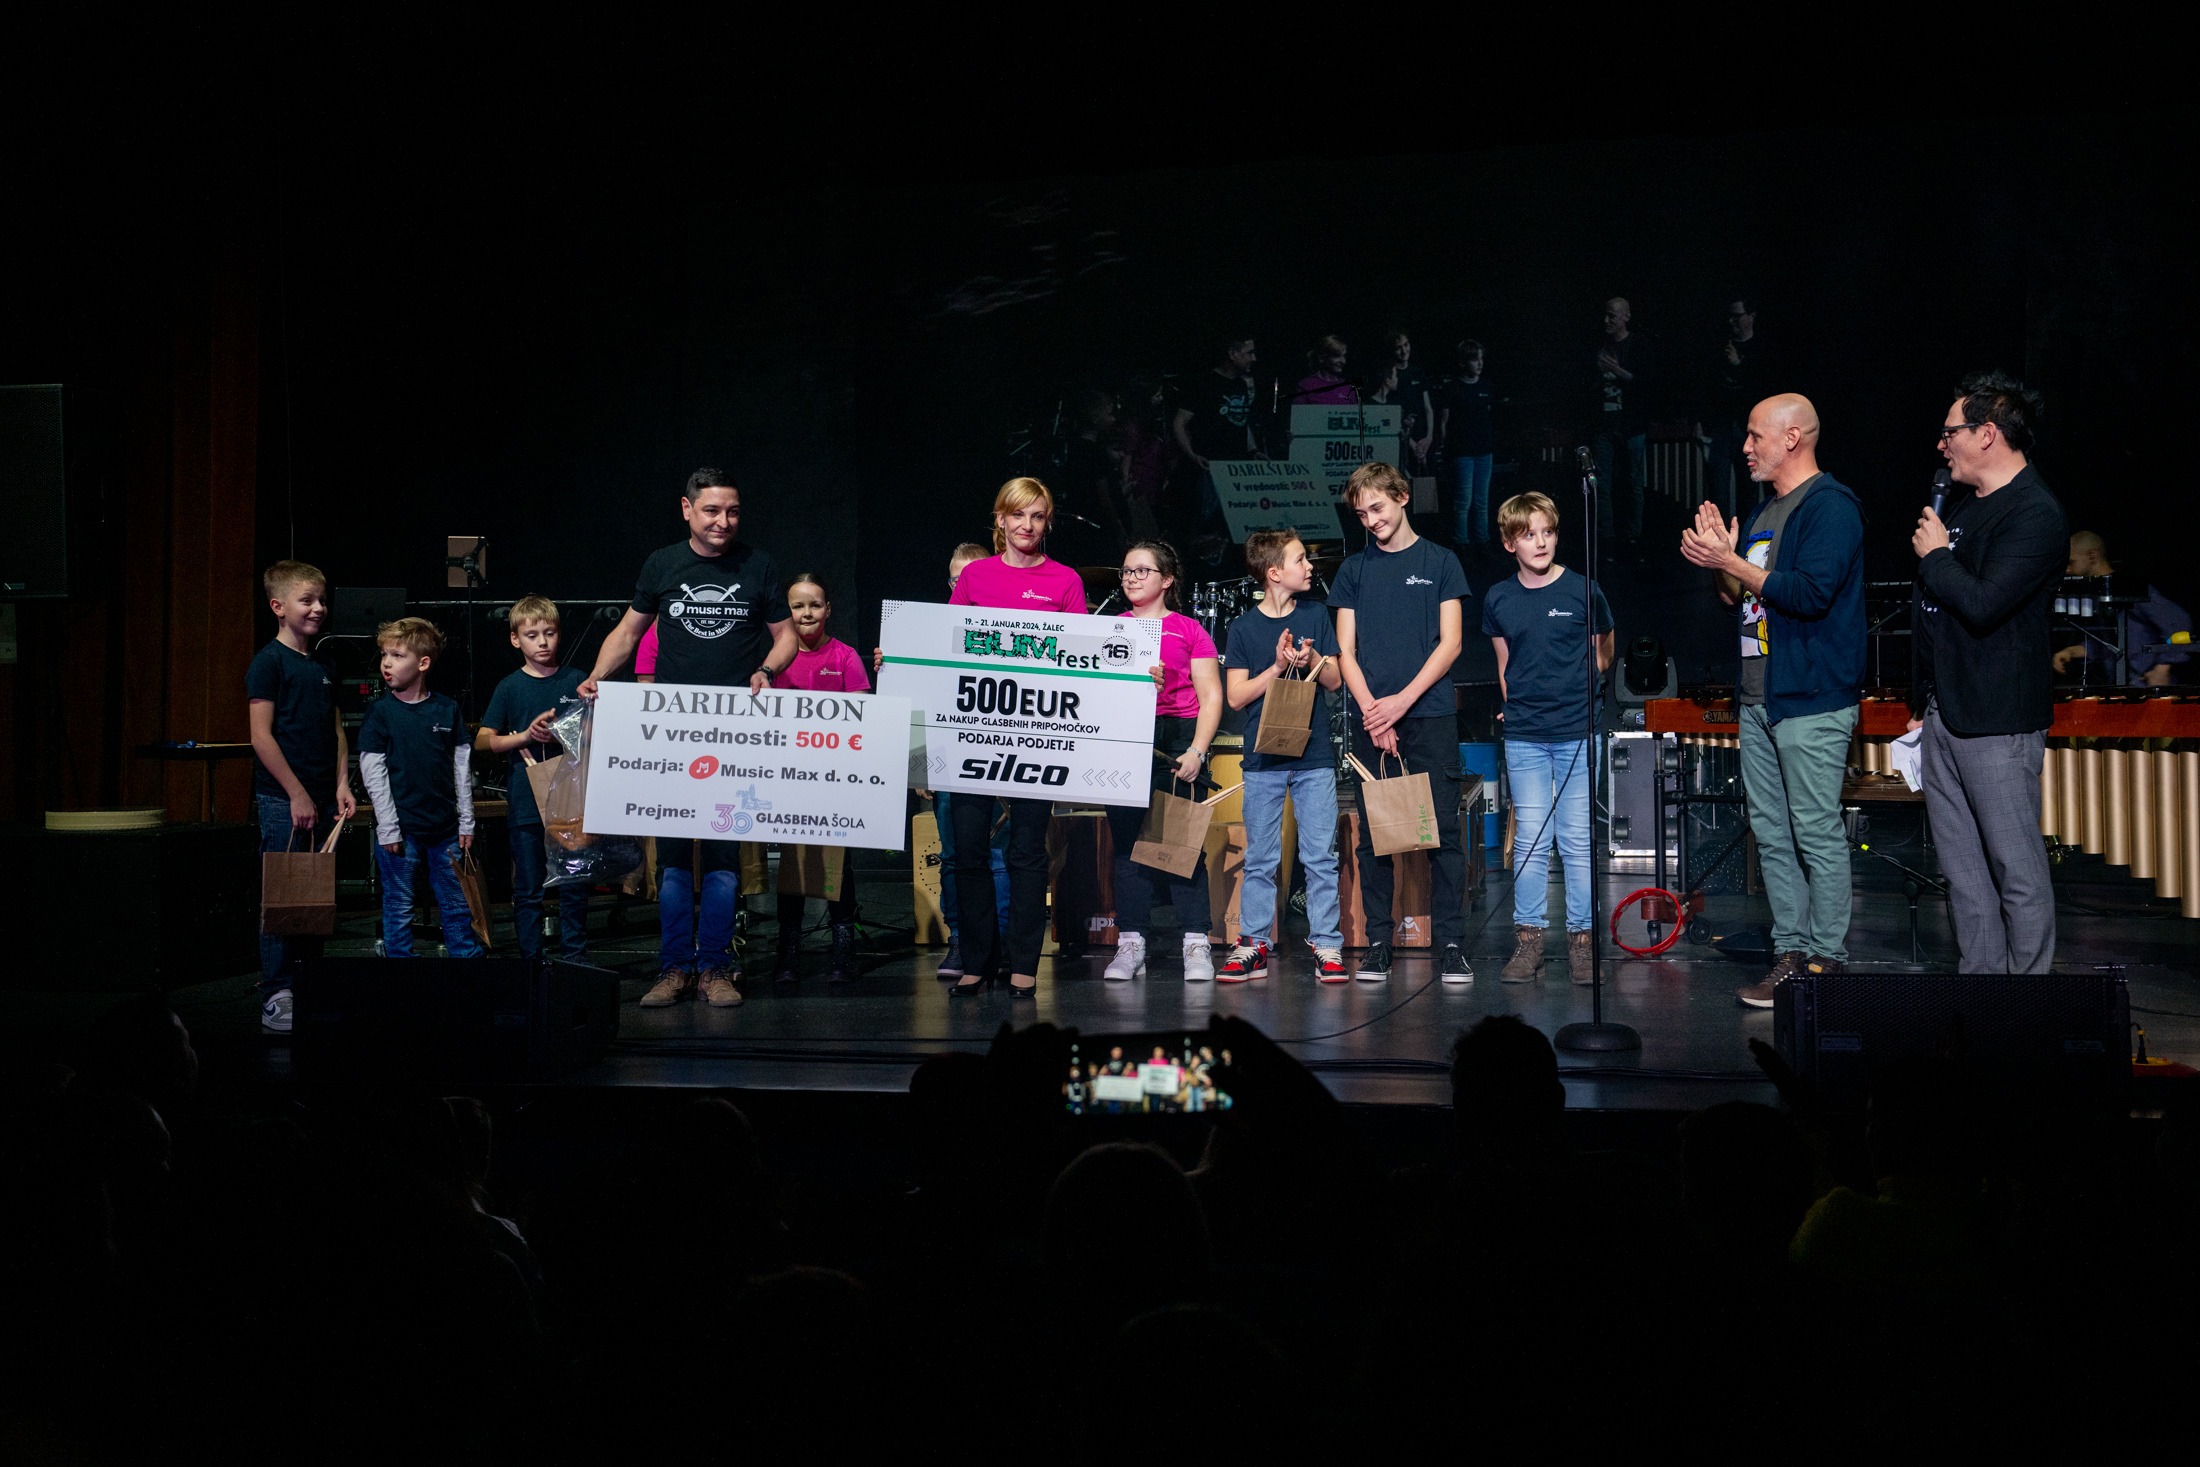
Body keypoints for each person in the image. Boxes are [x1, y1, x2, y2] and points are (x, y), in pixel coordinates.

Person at [580, 467, 798, 1010]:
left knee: (723, 855)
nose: (723, 521)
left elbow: (786, 636)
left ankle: (715, 968)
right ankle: (674, 967)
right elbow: (628, 631)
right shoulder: (662, 563)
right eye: (712, 510)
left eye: (732, 512)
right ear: (687, 509)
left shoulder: (759, 564)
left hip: (735, 733)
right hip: (673, 734)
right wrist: (598, 676)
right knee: (674, 858)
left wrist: (767, 670)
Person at [1679, 394, 1865, 1006]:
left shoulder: (1830, 507)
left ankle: (1827, 961)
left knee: (1814, 830)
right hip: (1760, 698)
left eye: (1756, 435)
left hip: (1810, 697)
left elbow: (1809, 593)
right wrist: (1721, 561)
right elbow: (1738, 597)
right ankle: (1791, 952)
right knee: (1772, 833)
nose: (1745, 447)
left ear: (1792, 438)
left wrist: (1732, 561)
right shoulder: (1765, 511)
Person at [1909, 372, 2067, 974]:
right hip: (1946, 712)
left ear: (1987, 434)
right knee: (1963, 874)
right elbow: (1934, 612)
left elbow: (1983, 603)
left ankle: (2027, 1001)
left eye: (1950, 431)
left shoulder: (2034, 512)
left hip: (1997, 718)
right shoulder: (1964, 509)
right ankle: (1981, 996)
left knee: (2014, 869)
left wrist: (1936, 557)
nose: (1941, 444)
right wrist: (1920, 699)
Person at [1331, 461, 1474, 983]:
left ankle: (1452, 942)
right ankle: (1378, 942)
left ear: (1403, 497)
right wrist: (1375, 713)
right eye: (1361, 513)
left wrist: (1400, 704)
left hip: (1428, 713)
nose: (1372, 520)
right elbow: (1344, 651)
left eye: (1378, 507)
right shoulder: (1353, 571)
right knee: (1375, 835)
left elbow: (1451, 644)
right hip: (1371, 718)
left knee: (1443, 831)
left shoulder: (1441, 562)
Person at [946, 478, 1089, 998]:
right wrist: (898, 659)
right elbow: (945, 646)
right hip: (974, 732)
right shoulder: (976, 576)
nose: (1027, 526)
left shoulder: (1065, 580)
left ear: (1047, 523)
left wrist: (1140, 676)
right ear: (1000, 519)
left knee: (1027, 851)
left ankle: (1024, 961)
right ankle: (976, 960)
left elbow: (1087, 657)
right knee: (969, 850)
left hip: (1037, 734)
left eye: (1038, 516)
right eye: (1018, 515)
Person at [1484, 492, 1614, 986]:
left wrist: (1574, 694)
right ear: (1509, 543)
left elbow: (1603, 655)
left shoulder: (1583, 591)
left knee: (1577, 840)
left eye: (1547, 532)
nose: (1540, 542)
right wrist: (1519, 704)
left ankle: (1582, 943)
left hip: (1577, 732)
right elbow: (1505, 667)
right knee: (1532, 841)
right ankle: (1529, 942)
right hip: (1525, 736)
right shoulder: (1499, 598)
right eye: (1528, 535)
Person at [1220, 530, 1347, 983]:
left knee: (1320, 856)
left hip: (1313, 756)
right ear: (1274, 573)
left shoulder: (1315, 614)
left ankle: (1327, 943)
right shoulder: (1244, 628)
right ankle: (1253, 944)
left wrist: (1311, 659)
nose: (1310, 566)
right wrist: (1276, 667)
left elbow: (1335, 680)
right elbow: (1235, 697)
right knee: (1261, 857)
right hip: (1263, 759)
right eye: (1300, 560)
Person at [1103, 542, 1223, 984]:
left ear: (1167, 579)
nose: (1131, 578)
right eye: (1126, 571)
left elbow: (1211, 695)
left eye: (1142, 570)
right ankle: (1131, 942)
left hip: (1177, 736)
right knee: (1128, 844)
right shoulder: (1111, 628)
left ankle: (1195, 940)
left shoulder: (1188, 630)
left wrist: (1197, 750)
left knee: (1180, 844)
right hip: (1125, 734)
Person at [247, 560, 357, 1033]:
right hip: (283, 800)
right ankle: (276, 994)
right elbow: (261, 736)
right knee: (284, 896)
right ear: (278, 607)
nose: (318, 608)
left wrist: (341, 784)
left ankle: (307, 983)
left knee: (314, 896)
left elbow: (336, 728)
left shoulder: (324, 664)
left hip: (322, 798)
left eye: (321, 600)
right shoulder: (269, 662)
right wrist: (296, 794)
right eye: (306, 600)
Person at [359, 617, 482, 961]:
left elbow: (461, 768)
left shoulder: (447, 708)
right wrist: (388, 826)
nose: (387, 663)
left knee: (457, 904)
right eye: (385, 655)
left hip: (445, 828)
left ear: (423, 663)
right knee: (399, 905)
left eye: (397, 655)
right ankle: (401, 970)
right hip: (403, 829)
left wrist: (467, 821)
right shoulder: (381, 712)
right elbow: (373, 772)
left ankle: (467, 968)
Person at [476, 595, 590, 962]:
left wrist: (565, 732)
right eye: (532, 635)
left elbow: (596, 731)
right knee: (527, 886)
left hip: (571, 796)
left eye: (549, 633)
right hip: (527, 798)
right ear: (515, 640)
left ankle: (575, 958)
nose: (542, 642)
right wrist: (526, 736)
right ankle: (531, 960)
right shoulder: (509, 687)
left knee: (574, 883)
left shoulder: (576, 680)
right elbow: (483, 740)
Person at [769, 572, 869, 984]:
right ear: (787, 611)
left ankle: (843, 949)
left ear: (828, 609)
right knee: (791, 866)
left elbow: (862, 721)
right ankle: (788, 952)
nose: (806, 613)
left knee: (836, 864)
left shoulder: (846, 657)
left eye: (814, 605)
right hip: (788, 781)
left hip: (834, 782)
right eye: (797, 606)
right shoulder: (774, 660)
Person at [2053, 531, 2191, 686]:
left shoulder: (2130, 588)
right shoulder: (2095, 595)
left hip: (2146, 686)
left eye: (2071, 562)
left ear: (2092, 556)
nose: (2067, 570)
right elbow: (2105, 644)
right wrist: (2070, 652)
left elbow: (2180, 625)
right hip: (2119, 687)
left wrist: (2162, 668)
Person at [1170, 337, 1259, 548]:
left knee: (1231, 531)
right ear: (1233, 354)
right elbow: (1179, 422)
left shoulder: (1240, 384)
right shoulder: (1203, 383)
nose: (1253, 359)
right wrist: (1191, 455)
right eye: (1249, 353)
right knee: (1204, 530)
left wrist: (1253, 450)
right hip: (1209, 469)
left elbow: (1241, 421)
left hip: (1234, 471)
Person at [1592, 298, 1655, 544]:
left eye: (1612, 315)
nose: (1606, 320)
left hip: (1632, 426)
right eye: (1605, 315)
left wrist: (1615, 369)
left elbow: (1646, 384)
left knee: (1633, 484)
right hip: (1604, 425)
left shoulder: (1639, 345)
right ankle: (1607, 537)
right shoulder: (1600, 345)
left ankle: (1633, 537)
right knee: (1602, 484)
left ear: (1626, 316)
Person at [1699, 298, 1768, 517]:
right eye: (1730, 316)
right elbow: (1706, 387)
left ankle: (1746, 535)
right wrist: (1700, 421)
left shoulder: (1760, 349)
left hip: (1748, 428)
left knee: (1748, 489)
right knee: (1717, 491)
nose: (1732, 321)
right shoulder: (1721, 347)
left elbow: (1761, 389)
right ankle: (1723, 535)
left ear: (1751, 316)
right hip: (1721, 427)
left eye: (1737, 316)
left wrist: (1738, 365)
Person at [1436, 340, 1496, 547]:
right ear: (1463, 362)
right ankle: (1461, 542)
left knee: (1482, 501)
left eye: (1481, 359)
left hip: (1484, 451)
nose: (1479, 363)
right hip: (1462, 452)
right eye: (1474, 359)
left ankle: (1482, 541)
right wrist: (1444, 448)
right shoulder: (1453, 388)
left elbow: (1488, 415)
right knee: (1463, 500)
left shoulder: (1486, 387)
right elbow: (1444, 422)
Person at [1382, 328, 1435, 469]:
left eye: (1406, 345)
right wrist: (1411, 444)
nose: (1404, 351)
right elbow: (1389, 412)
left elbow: (1428, 408)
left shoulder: (1417, 372)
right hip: (1402, 439)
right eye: (1399, 348)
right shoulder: (1390, 376)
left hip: (1422, 438)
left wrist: (1429, 437)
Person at [1294, 335, 1356, 406]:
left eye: (1344, 356)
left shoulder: (1347, 387)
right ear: (1322, 358)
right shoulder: (1306, 385)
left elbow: (1355, 412)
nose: (1343, 361)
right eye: (1336, 356)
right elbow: (1298, 412)